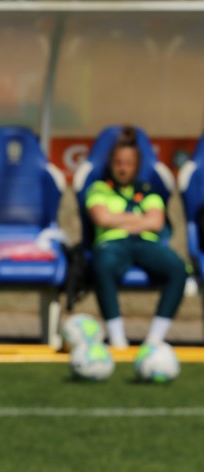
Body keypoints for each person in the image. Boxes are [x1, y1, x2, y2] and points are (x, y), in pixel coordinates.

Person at [85, 125, 187, 349]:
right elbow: (102, 219)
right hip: (112, 244)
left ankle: (154, 340)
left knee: (178, 268)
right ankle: (117, 338)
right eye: (119, 162)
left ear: (137, 165)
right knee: (102, 266)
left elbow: (157, 222)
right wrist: (137, 219)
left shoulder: (148, 190)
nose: (123, 168)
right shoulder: (99, 189)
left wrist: (118, 217)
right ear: (111, 163)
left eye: (128, 163)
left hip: (145, 244)